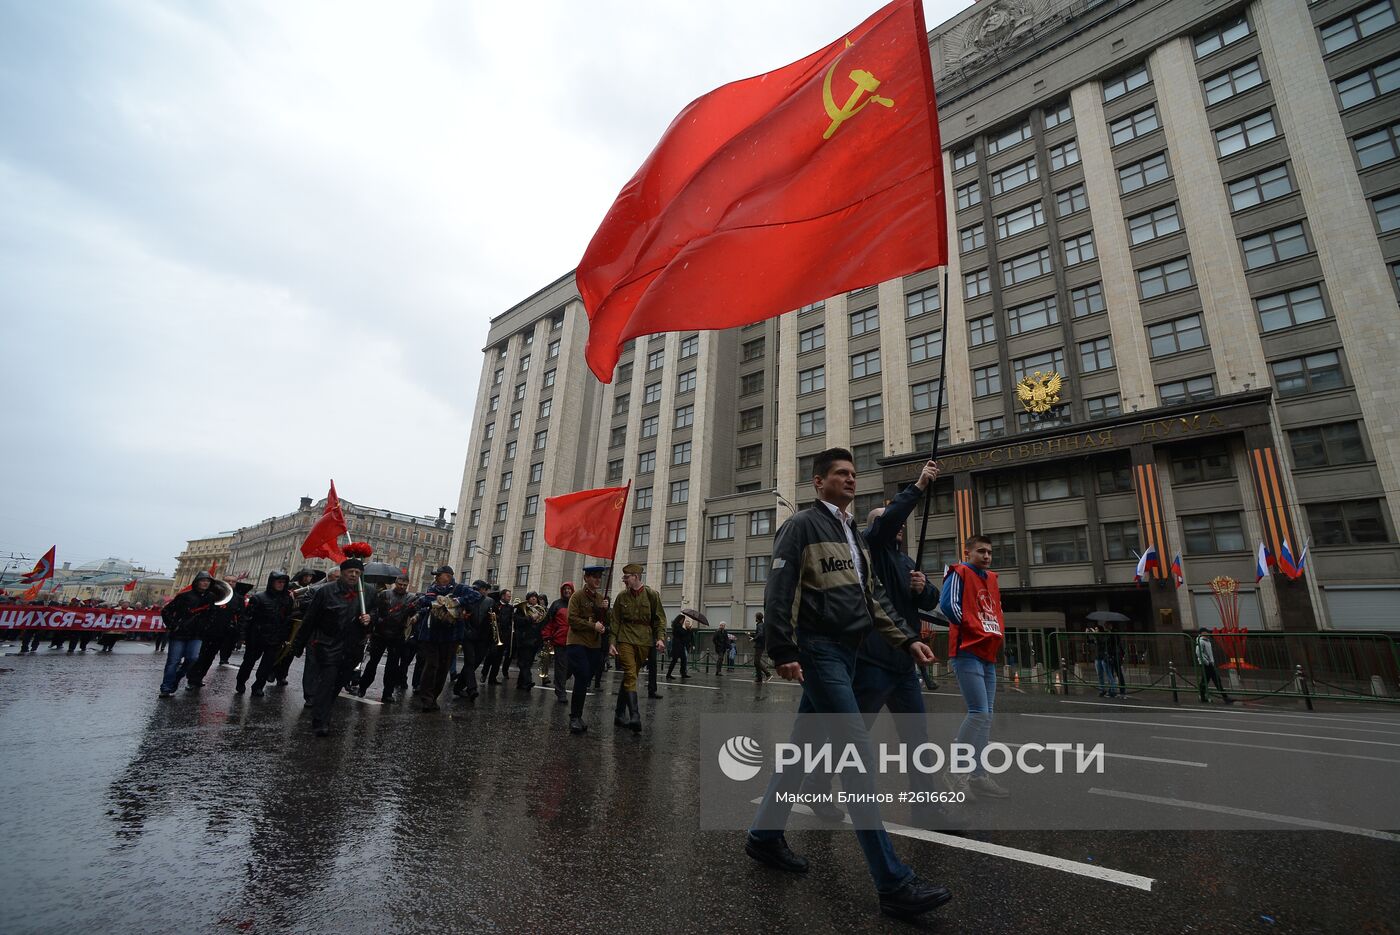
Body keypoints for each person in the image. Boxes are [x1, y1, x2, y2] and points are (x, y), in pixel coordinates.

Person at [747, 447, 950, 922]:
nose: (851, 480)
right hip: (819, 650)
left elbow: (872, 599)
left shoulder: (852, 536)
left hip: (849, 652)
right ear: (818, 482)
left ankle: (764, 836)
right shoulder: (802, 525)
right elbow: (779, 588)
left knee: (803, 750)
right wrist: (783, 649)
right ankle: (894, 882)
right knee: (856, 755)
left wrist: (904, 642)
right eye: (840, 474)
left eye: (854, 474)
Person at [940, 534, 1010, 799]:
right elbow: (948, 605)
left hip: (987, 652)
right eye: (981, 551)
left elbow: (996, 610)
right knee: (978, 712)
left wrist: (994, 634)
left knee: (987, 715)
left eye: (990, 552)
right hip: (966, 650)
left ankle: (979, 774)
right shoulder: (959, 572)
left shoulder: (991, 579)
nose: (987, 556)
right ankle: (956, 771)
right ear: (967, 552)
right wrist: (974, 628)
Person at [293, 547, 375, 736]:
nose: (353, 575)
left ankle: (323, 711)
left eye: (357, 572)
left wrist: (370, 618)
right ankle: (320, 721)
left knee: (337, 684)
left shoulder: (368, 593)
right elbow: (310, 619)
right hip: (328, 644)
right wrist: (297, 645)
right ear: (342, 573)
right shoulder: (326, 591)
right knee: (327, 681)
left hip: (352, 647)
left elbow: (376, 615)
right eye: (350, 572)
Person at [608, 563, 666, 732]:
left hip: (644, 641)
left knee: (630, 676)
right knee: (630, 673)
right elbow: (615, 621)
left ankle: (619, 714)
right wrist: (612, 642)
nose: (624, 580)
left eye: (626, 577)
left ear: (636, 577)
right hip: (625, 638)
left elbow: (659, 619)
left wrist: (660, 638)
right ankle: (635, 716)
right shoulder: (621, 597)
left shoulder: (651, 595)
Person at [413, 566, 475, 712]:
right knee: (432, 665)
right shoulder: (432, 588)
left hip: (451, 635)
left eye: (439, 575)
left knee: (443, 668)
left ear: (447, 576)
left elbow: (475, 596)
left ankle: (433, 698)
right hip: (431, 634)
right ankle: (426, 699)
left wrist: (457, 601)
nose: (436, 577)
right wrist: (436, 602)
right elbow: (425, 601)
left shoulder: (459, 588)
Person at [158, 571, 217, 696]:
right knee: (173, 661)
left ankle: (177, 677)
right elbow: (166, 611)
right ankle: (166, 688)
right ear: (197, 582)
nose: (205, 583)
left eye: (208, 581)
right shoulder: (184, 596)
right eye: (203, 580)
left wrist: (206, 626)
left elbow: (212, 615)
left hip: (197, 635)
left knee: (193, 658)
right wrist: (173, 625)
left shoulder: (211, 598)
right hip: (179, 634)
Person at [566, 566, 609, 734]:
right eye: (594, 577)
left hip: (594, 644)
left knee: (585, 679)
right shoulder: (577, 596)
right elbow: (572, 619)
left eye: (600, 577)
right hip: (577, 642)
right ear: (586, 578)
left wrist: (605, 610)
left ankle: (578, 715)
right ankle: (574, 717)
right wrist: (593, 625)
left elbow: (604, 622)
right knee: (582, 675)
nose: (598, 580)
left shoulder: (600, 598)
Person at [237, 571, 294, 697]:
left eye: (283, 582)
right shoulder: (258, 597)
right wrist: (242, 637)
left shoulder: (287, 599)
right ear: (272, 582)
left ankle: (258, 686)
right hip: (256, 637)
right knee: (248, 663)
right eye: (279, 582)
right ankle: (241, 682)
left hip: (275, 638)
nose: (281, 585)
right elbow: (247, 618)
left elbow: (288, 619)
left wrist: (285, 636)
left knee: (267, 666)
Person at [359, 575, 413, 702]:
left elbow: (413, 614)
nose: (402, 587)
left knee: (392, 666)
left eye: (405, 585)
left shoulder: (411, 598)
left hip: (397, 635)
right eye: (400, 584)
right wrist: (369, 630)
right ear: (396, 583)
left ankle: (387, 693)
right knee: (372, 663)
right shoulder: (384, 594)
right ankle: (362, 687)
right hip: (380, 633)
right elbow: (375, 612)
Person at [453, 580, 495, 700]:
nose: (481, 591)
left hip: (483, 638)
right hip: (469, 637)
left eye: (482, 589)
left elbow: (493, 621)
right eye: (478, 589)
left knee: (474, 663)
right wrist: (465, 632)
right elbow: (461, 617)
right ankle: (472, 689)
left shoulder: (490, 602)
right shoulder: (467, 600)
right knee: (470, 662)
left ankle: (458, 687)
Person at [542, 582, 574, 702]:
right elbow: (548, 622)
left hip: (574, 640)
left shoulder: (575, 603)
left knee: (571, 668)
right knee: (561, 667)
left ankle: (559, 682)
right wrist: (547, 636)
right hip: (560, 641)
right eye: (565, 589)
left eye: (569, 589)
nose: (567, 591)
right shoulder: (556, 604)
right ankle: (561, 693)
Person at [513, 592, 546, 690]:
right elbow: (517, 620)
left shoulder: (540, 610)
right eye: (531, 597)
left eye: (535, 597)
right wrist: (531, 618)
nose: (533, 599)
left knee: (528, 662)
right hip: (523, 639)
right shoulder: (521, 609)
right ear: (528, 599)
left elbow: (543, 624)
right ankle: (528, 681)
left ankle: (520, 684)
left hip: (535, 640)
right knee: (523, 662)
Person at [482, 587, 514, 686]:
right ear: (503, 596)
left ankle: (493, 678)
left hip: (503, 636)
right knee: (490, 656)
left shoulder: (510, 608)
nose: (509, 598)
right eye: (508, 596)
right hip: (493, 635)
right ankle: (484, 674)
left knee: (498, 659)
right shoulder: (495, 605)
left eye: (510, 596)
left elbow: (510, 622)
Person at [1195, 627, 1234, 704]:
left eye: (1206, 632)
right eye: (1204, 632)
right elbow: (1198, 652)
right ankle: (1225, 698)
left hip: (1210, 664)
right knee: (1213, 680)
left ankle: (1203, 697)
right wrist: (1206, 661)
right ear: (1201, 633)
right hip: (1206, 664)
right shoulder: (1201, 641)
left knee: (1207, 681)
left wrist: (1211, 661)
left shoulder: (1207, 641)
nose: (1206, 633)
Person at [667, 613, 693, 679]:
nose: (683, 621)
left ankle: (682, 673)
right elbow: (683, 633)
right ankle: (669, 674)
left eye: (683, 620)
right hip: (677, 645)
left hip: (680, 645)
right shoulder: (677, 626)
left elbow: (685, 634)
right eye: (682, 620)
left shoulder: (678, 626)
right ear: (679, 619)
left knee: (683, 659)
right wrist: (688, 630)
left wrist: (688, 630)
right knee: (675, 660)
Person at [752, 613, 770, 682]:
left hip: (759, 645)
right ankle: (759, 678)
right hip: (760, 645)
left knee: (756, 661)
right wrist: (752, 635)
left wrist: (753, 639)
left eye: (755, 617)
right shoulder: (761, 624)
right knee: (756, 662)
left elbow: (760, 634)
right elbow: (760, 633)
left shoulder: (760, 625)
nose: (755, 618)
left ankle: (768, 674)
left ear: (757, 618)